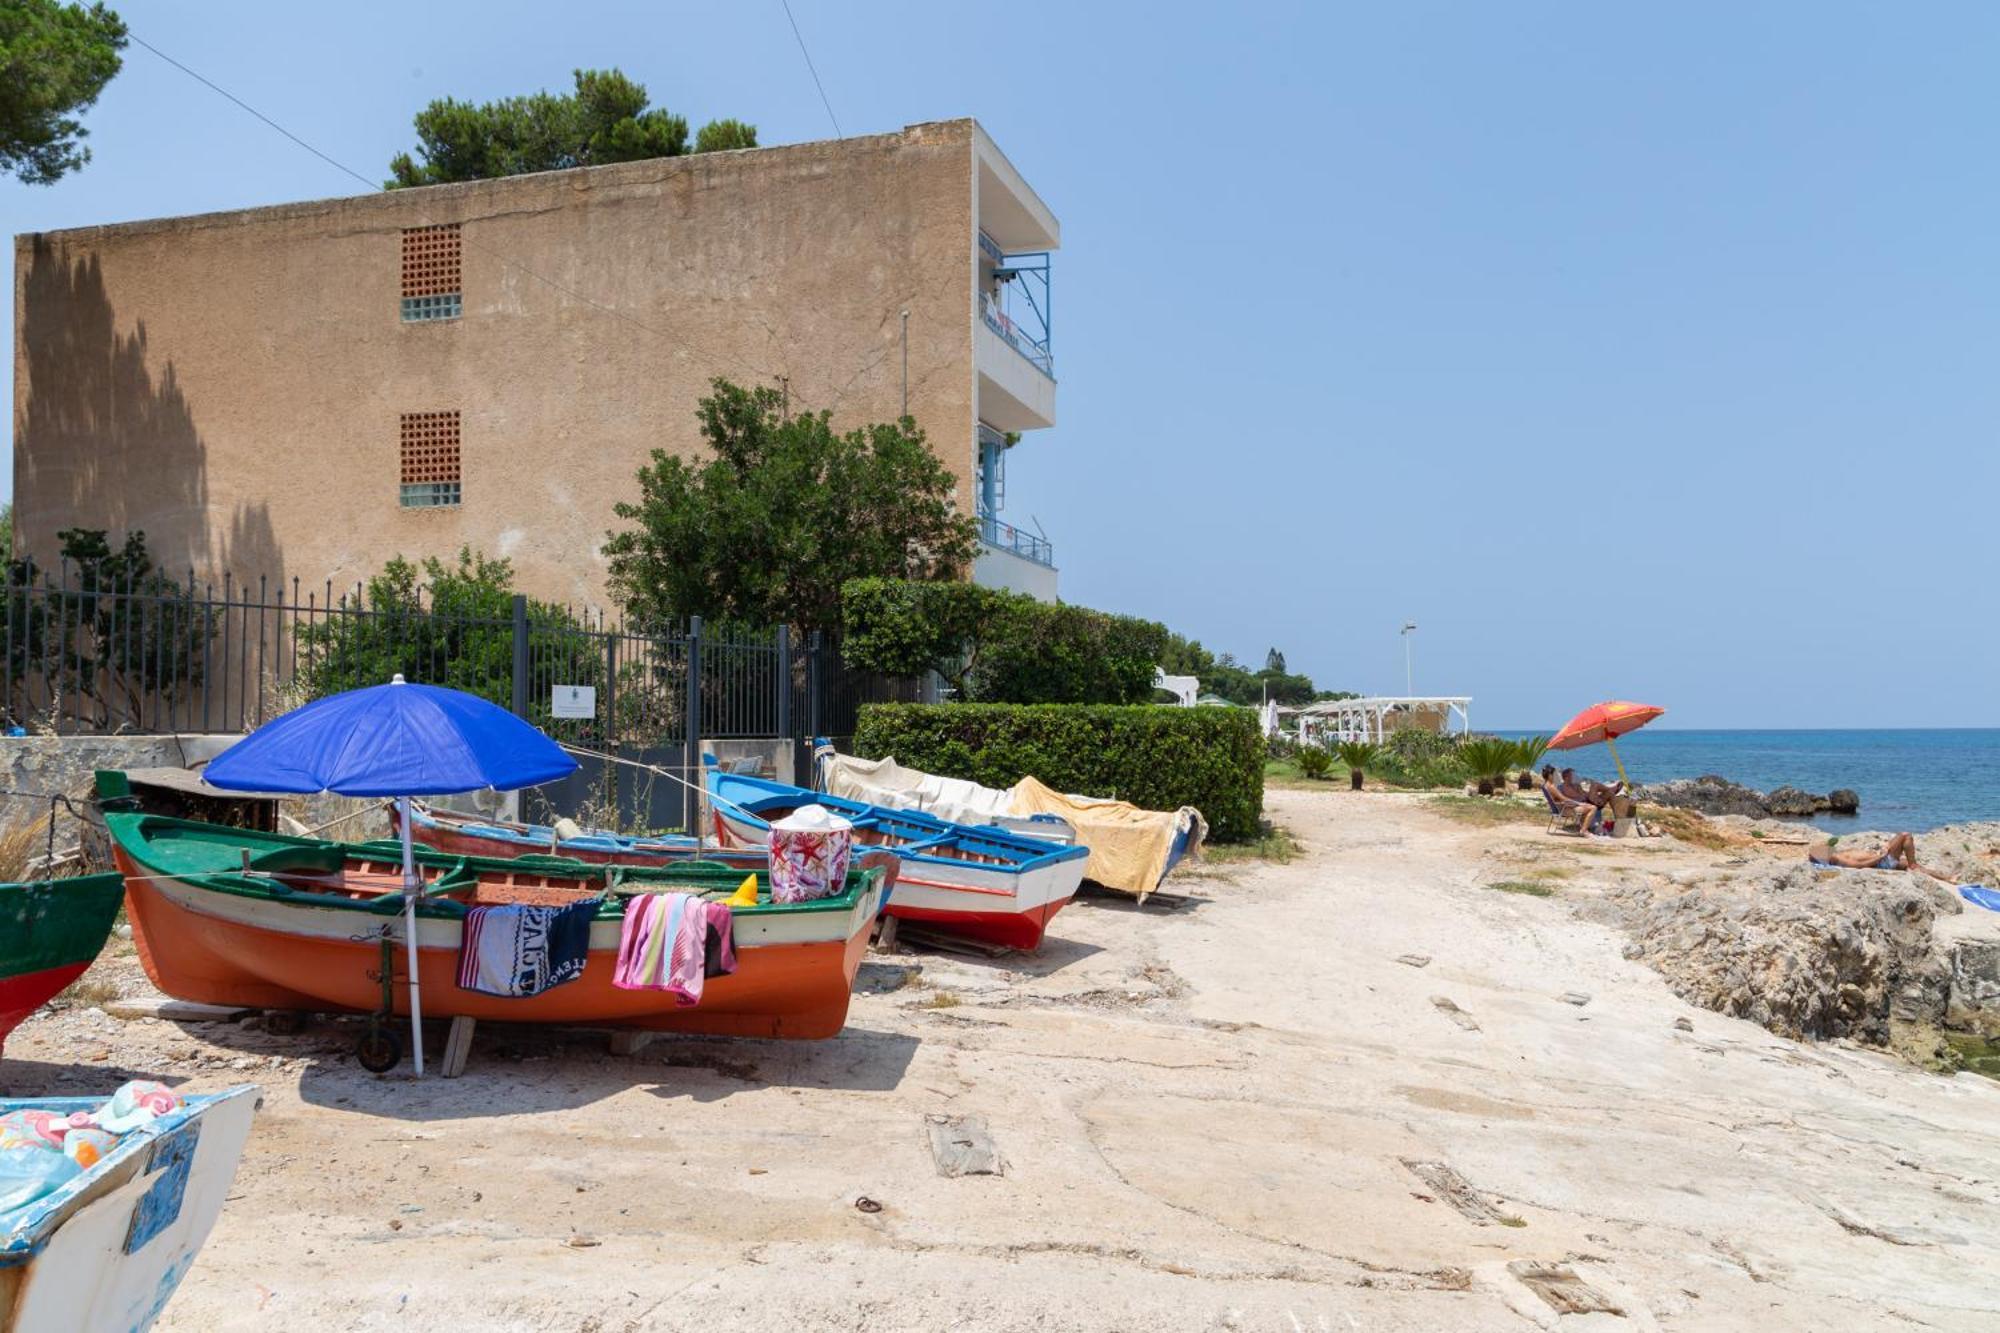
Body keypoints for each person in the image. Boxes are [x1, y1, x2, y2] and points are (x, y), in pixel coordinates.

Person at [1807, 833, 1953, 884]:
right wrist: (1881, 856)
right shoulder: (1839, 860)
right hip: (1882, 863)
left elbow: (1812, 852)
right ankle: (1913, 865)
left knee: (1910, 866)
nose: (1824, 848)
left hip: (1882, 860)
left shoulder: (1837, 854)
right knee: (1905, 835)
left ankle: (1946, 878)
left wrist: (1880, 851)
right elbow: (1860, 866)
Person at [1541, 765, 1599, 832]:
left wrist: (1579, 804)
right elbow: (1564, 799)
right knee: (1593, 808)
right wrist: (1579, 803)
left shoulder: (1545, 785)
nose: (1556, 776)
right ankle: (1584, 830)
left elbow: (1558, 799)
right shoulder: (1552, 787)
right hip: (1564, 810)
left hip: (1561, 808)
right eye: (1554, 774)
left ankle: (1585, 828)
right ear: (1550, 775)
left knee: (1588, 806)